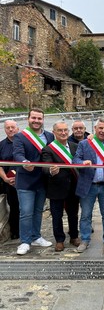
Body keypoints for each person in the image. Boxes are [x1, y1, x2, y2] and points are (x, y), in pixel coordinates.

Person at [73, 117, 104, 252]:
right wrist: (82, 163)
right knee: (86, 215)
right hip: (88, 185)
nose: (103, 131)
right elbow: (75, 159)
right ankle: (85, 240)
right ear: (95, 129)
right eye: (100, 128)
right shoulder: (84, 144)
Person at [13, 108, 54, 255]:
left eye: (39, 118)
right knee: (26, 212)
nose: (36, 121)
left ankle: (36, 236)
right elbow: (17, 153)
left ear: (43, 120)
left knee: (38, 211)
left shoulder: (50, 136)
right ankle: (25, 241)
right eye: (34, 118)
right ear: (28, 119)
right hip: (25, 180)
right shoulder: (20, 137)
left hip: (42, 180)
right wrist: (24, 162)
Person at [41, 121, 80, 252]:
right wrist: (51, 171)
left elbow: (79, 161)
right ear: (54, 133)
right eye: (60, 131)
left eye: (65, 130)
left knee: (73, 214)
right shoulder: (48, 149)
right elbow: (45, 167)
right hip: (56, 188)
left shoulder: (75, 146)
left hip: (73, 187)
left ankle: (74, 236)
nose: (63, 133)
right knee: (57, 215)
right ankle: (59, 240)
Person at [0, 120, 20, 239]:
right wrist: (5, 178)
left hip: (25, 179)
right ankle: (15, 231)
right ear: (5, 130)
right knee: (14, 206)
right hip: (8, 181)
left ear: (18, 129)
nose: (11, 129)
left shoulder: (24, 142)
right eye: (8, 128)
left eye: (13, 127)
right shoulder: (1, 145)